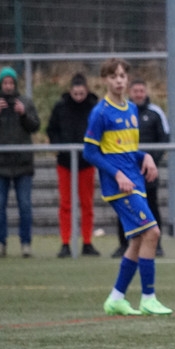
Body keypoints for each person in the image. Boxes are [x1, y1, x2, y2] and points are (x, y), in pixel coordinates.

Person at [83, 58, 172, 316]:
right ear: (105, 80)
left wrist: (144, 156)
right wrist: (117, 174)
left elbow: (127, 150)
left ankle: (116, 298)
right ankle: (148, 298)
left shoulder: (131, 108)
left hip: (135, 180)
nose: (119, 80)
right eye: (113, 76)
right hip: (119, 185)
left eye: (122, 76)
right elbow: (90, 152)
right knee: (152, 232)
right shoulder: (100, 113)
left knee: (137, 240)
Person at [0, 66, 40, 258]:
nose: (8, 86)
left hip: (23, 163)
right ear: (0, 84)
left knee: (25, 206)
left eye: (11, 82)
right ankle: (0, 243)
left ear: (15, 84)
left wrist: (24, 114)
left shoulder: (26, 102)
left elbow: (35, 126)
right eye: (5, 82)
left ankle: (26, 244)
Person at [113, 79, 169, 258]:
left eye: (141, 91)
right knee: (125, 206)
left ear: (146, 92)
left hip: (148, 172)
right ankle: (124, 244)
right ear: (130, 92)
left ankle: (156, 244)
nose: (138, 94)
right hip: (126, 171)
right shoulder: (122, 111)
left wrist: (151, 162)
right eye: (135, 91)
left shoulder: (155, 113)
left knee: (151, 205)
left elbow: (164, 138)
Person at [47, 73, 101, 258]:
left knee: (87, 204)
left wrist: (94, 148)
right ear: (70, 91)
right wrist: (59, 148)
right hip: (65, 163)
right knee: (65, 204)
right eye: (75, 93)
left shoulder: (94, 107)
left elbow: (101, 130)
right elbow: (52, 129)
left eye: (81, 94)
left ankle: (87, 242)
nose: (78, 97)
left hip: (86, 162)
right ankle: (65, 242)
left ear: (87, 91)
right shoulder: (60, 107)